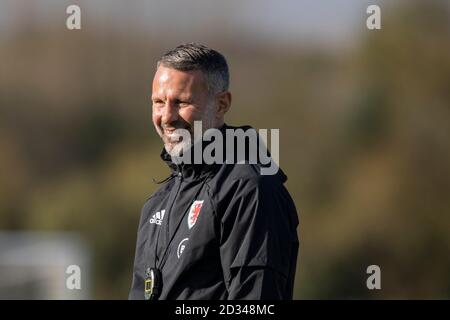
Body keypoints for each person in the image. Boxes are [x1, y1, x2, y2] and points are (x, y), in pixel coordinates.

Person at [129, 43, 299, 300]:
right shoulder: (156, 203)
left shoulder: (250, 190)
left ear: (221, 104)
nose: (167, 116)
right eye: (158, 102)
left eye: (181, 102)